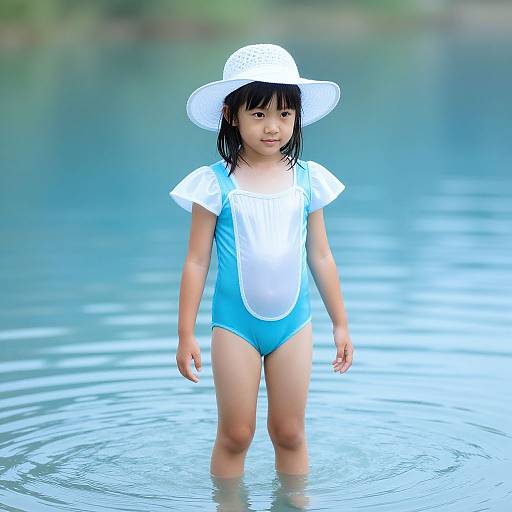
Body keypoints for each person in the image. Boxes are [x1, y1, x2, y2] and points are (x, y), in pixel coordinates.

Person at [169, 43, 354, 480]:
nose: (273, 127)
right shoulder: (214, 184)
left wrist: (341, 323)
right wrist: (184, 334)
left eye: (284, 114)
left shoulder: (308, 180)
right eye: (258, 114)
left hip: (294, 325)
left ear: (297, 117)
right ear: (231, 115)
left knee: (290, 432)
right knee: (236, 434)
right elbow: (196, 262)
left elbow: (321, 254)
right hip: (235, 327)